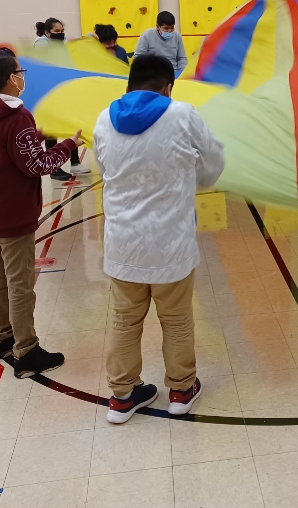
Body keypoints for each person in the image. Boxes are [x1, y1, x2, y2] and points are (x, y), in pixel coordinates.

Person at [94, 55, 224, 423]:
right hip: (172, 243)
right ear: (168, 87)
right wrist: (187, 179)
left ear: (129, 85)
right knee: (177, 319)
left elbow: (105, 170)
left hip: (123, 243)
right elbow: (213, 163)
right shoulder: (182, 114)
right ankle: (182, 390)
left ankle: (122, 395)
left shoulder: (105, 118)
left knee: (124, 319)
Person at [0, 48, 80, 378]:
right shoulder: (16, 117)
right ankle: (27, 351)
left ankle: (2, 338)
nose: (23, 77)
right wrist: (68, 145)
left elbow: (5, 148)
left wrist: (35, 136)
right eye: (20, 72)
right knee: (20, 284)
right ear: (10, 78)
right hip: (12, 213)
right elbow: (37, 164)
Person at [31, 17, 89, 179]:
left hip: (62, 88)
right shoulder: (41, 44)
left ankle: (75, 162)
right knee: (52, 128)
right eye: (57, 31)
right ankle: (53, 168)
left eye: (62, 31)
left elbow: (69, 44)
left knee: (72, 123)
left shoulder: (59, 42)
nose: (61, 34)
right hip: (48, 91)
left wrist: (87, 38)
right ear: (47, 32)